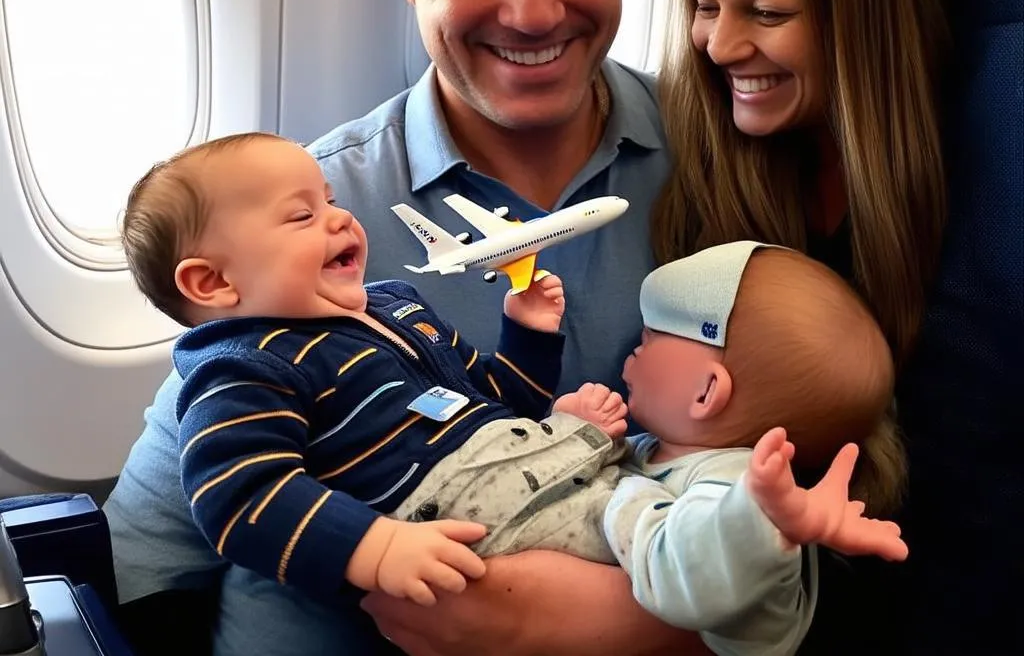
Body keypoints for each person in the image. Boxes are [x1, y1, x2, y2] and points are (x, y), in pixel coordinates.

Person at [103, 0, 684, 656]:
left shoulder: (723, 165)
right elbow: (153, 551)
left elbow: (809, 485)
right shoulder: (303, 217)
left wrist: (615, 626)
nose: (532, 12)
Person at [123, 131, 905, 656]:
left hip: (518, 474)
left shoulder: (392, 306)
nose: (338, 219)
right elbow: (237, 493)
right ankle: (745, 550)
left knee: (645, 502)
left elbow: (493, 403)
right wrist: (373, 546)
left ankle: (745, 548)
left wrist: (525, 334)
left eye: (329, 200)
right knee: (646, 512)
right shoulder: (242, 367)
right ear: (213, 282)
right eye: (304, 215)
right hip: (444, 522)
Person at [651, 0, 950, 653]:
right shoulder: (713, 174)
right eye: (706, 6)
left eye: (768, 12)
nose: (720, 45)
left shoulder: (971, 186)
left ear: (863, 12)